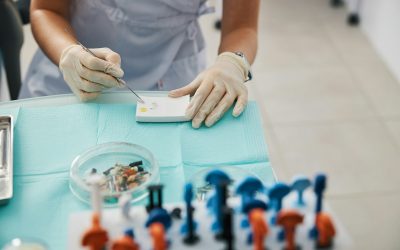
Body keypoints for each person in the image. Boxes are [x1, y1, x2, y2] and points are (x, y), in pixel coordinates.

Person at [20, 0, 260, 128]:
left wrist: (232, 62)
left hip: (172, 78)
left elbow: (242, 27)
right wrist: (68, 53)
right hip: (69, 74)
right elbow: (45, 9)